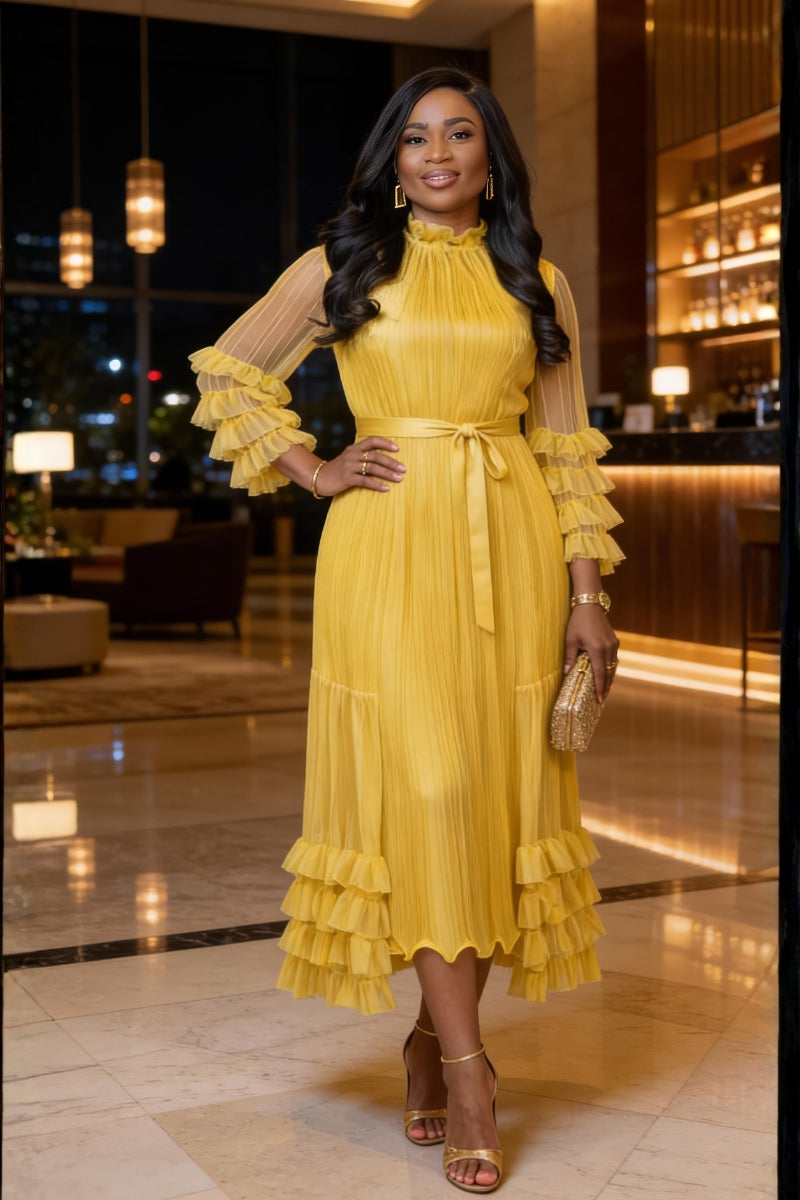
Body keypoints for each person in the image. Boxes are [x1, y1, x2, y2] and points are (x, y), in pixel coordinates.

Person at [190, 66, 622, 1195]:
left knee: (485, 804)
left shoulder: (538, 281)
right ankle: (471, 1066)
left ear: (490, 155)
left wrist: (587, 594)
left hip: (515, 550)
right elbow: (231, 370)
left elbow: (566, 450)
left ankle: (430, 1041)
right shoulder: (343, 265)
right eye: (416, 137)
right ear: (391, 157)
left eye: (459, 135)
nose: (436, 155)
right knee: (426, 791)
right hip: (384, 549)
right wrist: (312, 466)